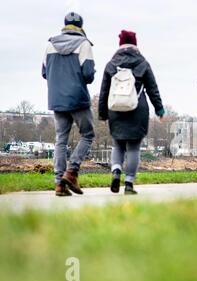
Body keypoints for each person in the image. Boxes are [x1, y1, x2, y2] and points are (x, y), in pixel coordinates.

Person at [99, 30, 165, 195]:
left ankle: (115, 171)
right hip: (137, 109)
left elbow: (104, 92)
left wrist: (103, 114)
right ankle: (128, 184)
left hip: (115, 110)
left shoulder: (111, 64)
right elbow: (152, 89)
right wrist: (159, 109)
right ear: (135, 44)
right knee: (134, 148)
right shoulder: (142, 63)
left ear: (120, 44)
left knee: (118, 144)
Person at [42, 12, 96, 197]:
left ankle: (59, 184)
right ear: (81, 25)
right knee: (88, 135)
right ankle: (72, 171)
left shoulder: (50, 44)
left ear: (65, 25)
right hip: (77, 98)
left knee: (61, 140)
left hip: (57, 99)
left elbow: (44, 72)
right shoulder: (84, 44)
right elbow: (88, 74)